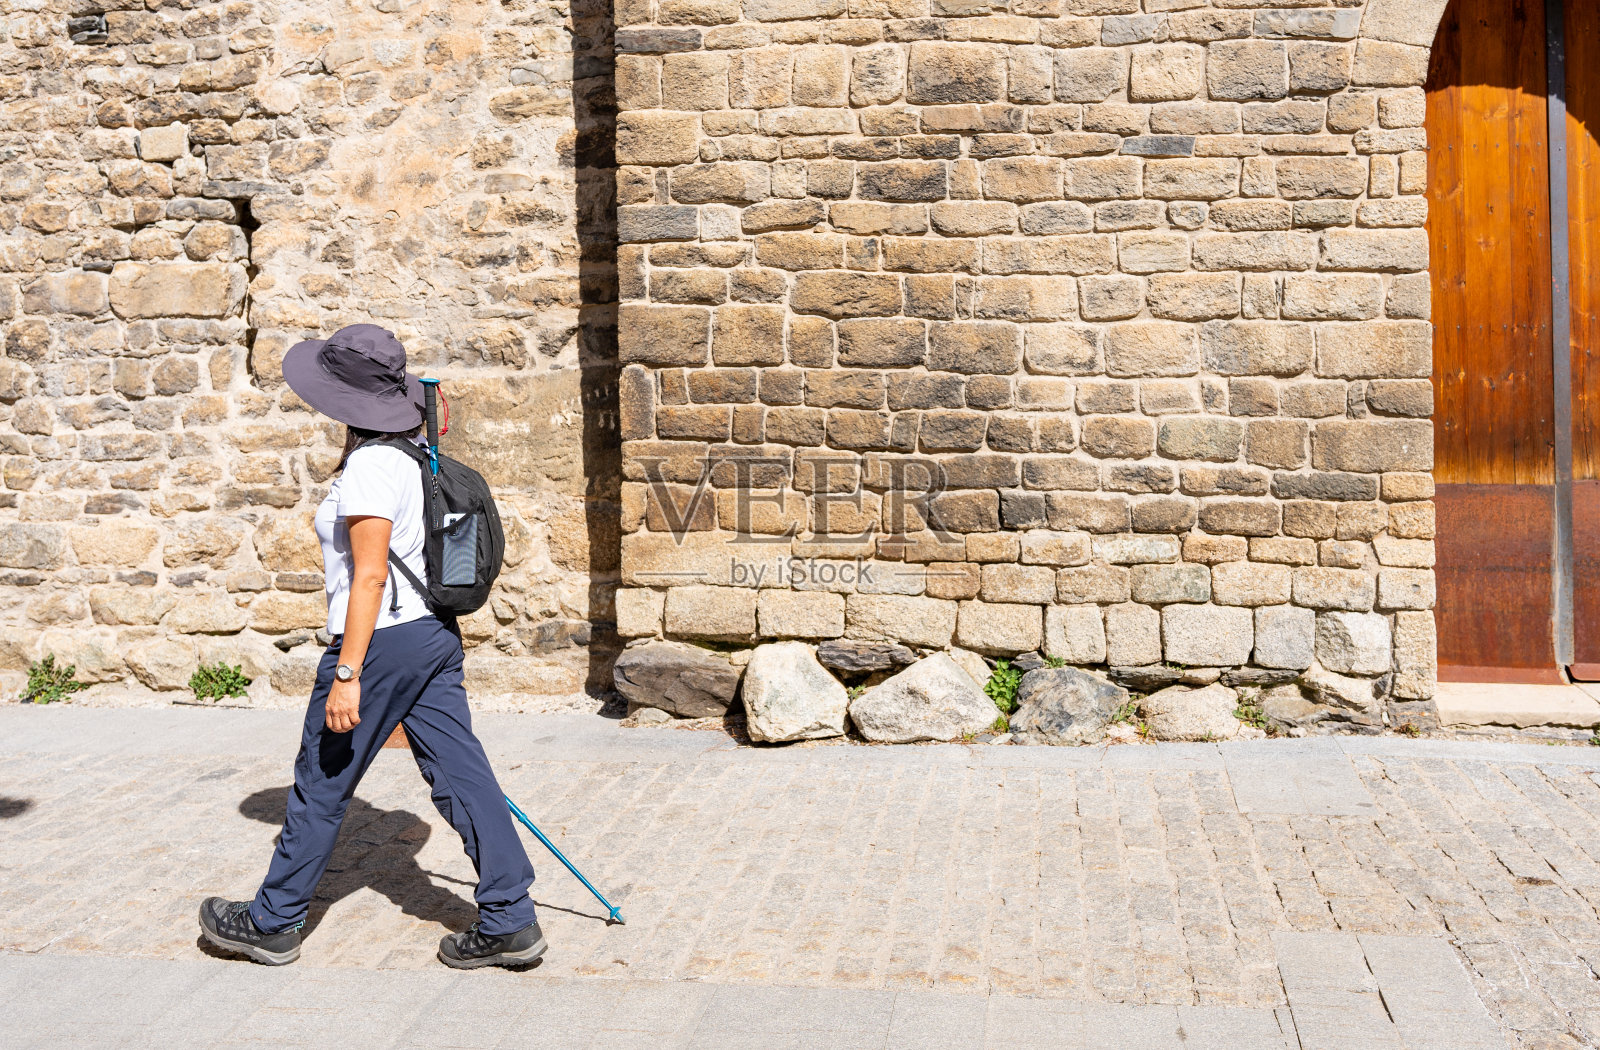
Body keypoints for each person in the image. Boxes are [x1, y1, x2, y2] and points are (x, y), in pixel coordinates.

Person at [197, 324, 545, 969]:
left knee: (322, 781)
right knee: (462, 775)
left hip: (380, 642)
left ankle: (273, 921)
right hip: (432, 635)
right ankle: (509, 918)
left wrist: (349, 672)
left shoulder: (369, 467)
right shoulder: (416, 455)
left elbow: (371, 574)